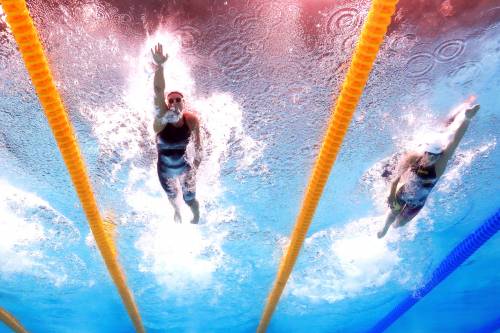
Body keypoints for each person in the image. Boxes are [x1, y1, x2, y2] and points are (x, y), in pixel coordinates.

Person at [377, 97, 480, 238]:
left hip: (417, 203)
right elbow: (396, 177)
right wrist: (391, 194)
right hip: (402, 194)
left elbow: (455, 141)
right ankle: (385, 227)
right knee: (392, 214)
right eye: (430, 155)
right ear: (424, 152)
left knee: (399, 224)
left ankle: (394, 225)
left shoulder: (439, 164)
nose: (433, 159)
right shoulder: (413, 157)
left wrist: (467, 119)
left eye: (436, 156)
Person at [151, 42, 202, 224]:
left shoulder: (191, 120)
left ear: (183, 102)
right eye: (170, 100)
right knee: (172, 197)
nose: (173, 103)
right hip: (164, 170)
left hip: (184, 167)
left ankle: (195, 216)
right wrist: (160, 66)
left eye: (177, 99)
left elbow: (199, 148)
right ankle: (176, 212)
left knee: (191, 200)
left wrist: (196, 165)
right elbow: (158, 91)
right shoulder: (161, 119)